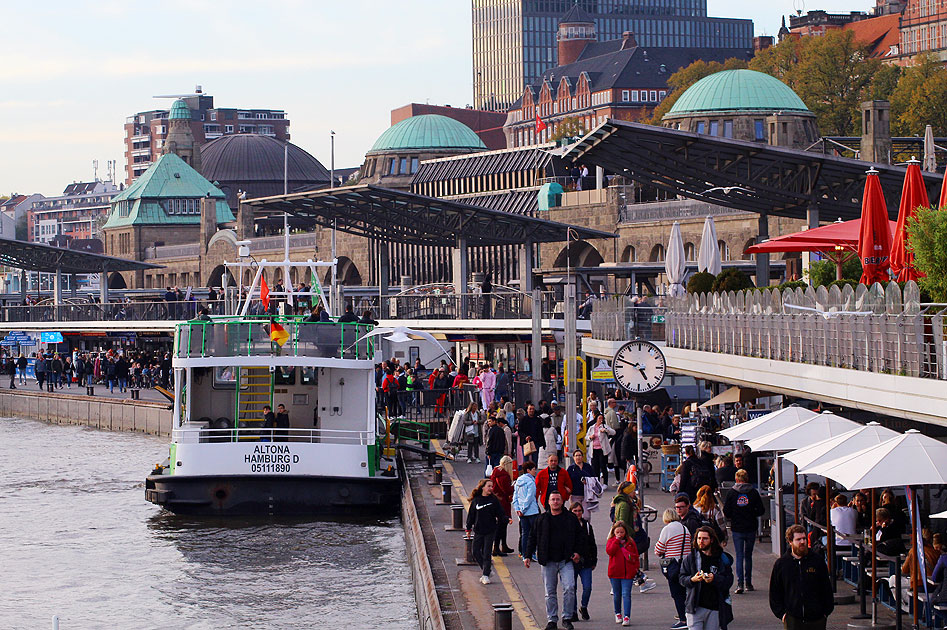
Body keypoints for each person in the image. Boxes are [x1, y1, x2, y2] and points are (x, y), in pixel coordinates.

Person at [524, 490, 581, 630]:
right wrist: (528, 555)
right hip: (548, 560)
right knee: (550, 593)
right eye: (553, 499)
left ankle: (567, 618)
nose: (555, 502)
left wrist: (578, 552)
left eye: (558, 499)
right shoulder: (541, 519)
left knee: (569, 588)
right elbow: (532, 537)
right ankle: (552, 620)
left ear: (562, 501)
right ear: (548, 502)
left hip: (566, 560)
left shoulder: (570, 518)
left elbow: (580, 537)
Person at [769, 525, 834, 630]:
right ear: (790, 542)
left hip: (817, 618)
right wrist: (782, 614)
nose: (802, 542)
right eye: (798, 539)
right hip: (792, 619)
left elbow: (826, 587)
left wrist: (825, 612)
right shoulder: (782, 564)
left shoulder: (817, 561)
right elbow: (775, 592)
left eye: (804, 538)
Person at [680, 526, 734, 630]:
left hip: (714, 607)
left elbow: (728, 581)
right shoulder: (691, 558)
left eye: (705, 538)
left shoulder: (720, 559)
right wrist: (692, 579)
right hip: (695, 607)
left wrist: (715, 579)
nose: (701, 541)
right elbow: (682, 578)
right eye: (699, 538)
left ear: (712, 540)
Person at [723, 469, 765, 594]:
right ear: (747, 479)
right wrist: (752, 513)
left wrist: (734, 516)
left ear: (736, 479)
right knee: (748, 556)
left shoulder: (732, 493)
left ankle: (740, 583)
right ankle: (749, 583)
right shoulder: (753, 493)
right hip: (751, 527)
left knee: (739, 555)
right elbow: (761, 510)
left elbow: (726, 511)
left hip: (737, 527)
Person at [656, 508, 691, 630]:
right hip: (687, 563)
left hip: (674, 565)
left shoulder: (667, 529)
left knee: (676, 593)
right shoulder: (684, 528)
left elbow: (658, 549)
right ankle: (689, 616)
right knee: (686, 591)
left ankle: (683, 619)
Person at [466, 478, 506, 585]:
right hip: (479, 530)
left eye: (491, 486)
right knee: (475, 551)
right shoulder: (476, 501)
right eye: (488, 486)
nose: (491, 488)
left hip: (490, 530)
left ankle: (485, 575)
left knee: (487, 552)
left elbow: (500, 513)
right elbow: (471, 516)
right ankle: (487, 570)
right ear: (483, 487)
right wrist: (468, 528)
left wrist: (507, 519)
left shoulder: (493, 500)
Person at [607, 519, 640, 627]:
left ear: (625, 532)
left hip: (627, 573)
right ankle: (618, 613)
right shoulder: (611, 541)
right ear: (614, 532)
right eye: (617, 532)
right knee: (617, 595)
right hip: (615, 572)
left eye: (622, 532)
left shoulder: (630, 542)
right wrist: (616, 541)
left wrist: (636, 568)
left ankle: (627, 616)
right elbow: (610, 552)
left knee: (626, 594)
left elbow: (636, 555)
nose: (620, 534)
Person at [568, 501, 597, 622]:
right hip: (571, 562)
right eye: (575, 511)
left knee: (587, 587)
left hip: (586, 562)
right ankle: (573, 611)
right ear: (571, 512)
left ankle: (583, 607)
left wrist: (594, 560)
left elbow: (592, 544)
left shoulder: (587, 526)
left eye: (579, 511)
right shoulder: (566, 526)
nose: (578, 513)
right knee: (571, 588)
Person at [513, 460, 540, 558]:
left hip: (521, 513)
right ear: (528, 470)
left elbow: (515, 497)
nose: (535, 471)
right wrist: (524, 509)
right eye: (533, 469)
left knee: (525, 534)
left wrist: (518, 509)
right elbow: (530, 496)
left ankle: (524, 554)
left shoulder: (518, 481)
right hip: (532, 511)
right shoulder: (531, 481)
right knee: (534, 534)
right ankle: (532, 553)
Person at [490, 456, 515, 556]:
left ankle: (503, 545)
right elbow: (507, 490)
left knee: (502, 524)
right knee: (501, 525)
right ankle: (497, 548)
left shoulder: (496, 471)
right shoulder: (504, 475)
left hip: (497, 500)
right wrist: (514, 487)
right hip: (502, 502)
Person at [587, 413, 615, 486]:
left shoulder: (604, 426)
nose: (601, 420)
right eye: (599, 418)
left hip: (602, 450)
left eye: (602, 418)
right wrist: (590, 437)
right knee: (595, 467)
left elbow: (613, 432)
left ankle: (605, 483)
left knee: (603, 466)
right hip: (594, 450)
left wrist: (606, 430)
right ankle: (597, 482)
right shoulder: (592, 427)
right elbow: (586, 437)